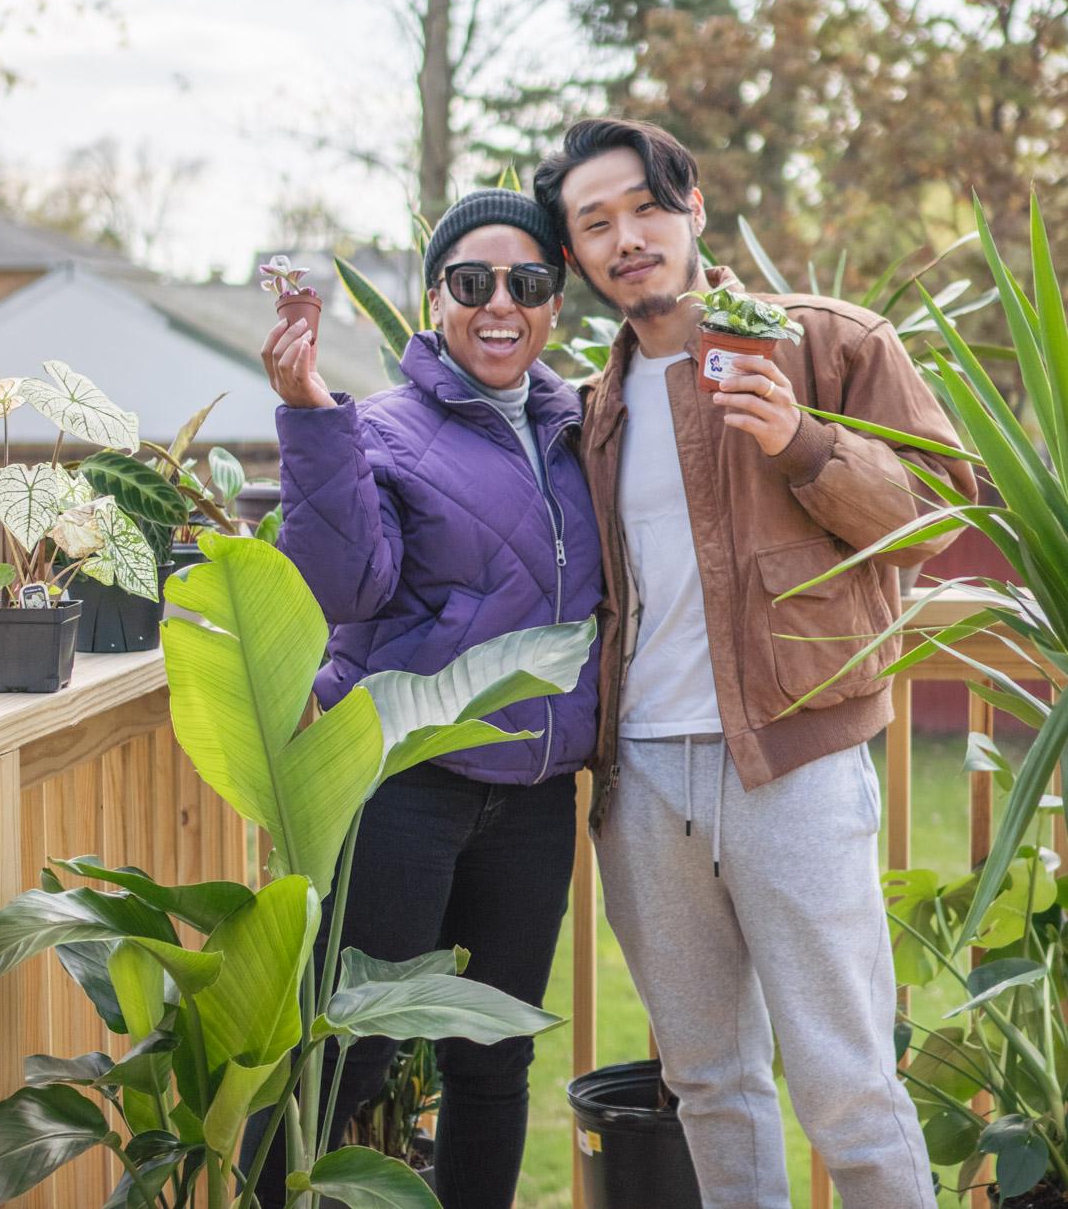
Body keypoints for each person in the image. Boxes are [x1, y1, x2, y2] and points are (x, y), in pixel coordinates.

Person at [533, 118, 978, 1209]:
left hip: (795, 768)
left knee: (849, 1090)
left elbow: (939, 510)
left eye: (644, 208)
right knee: (708, 1086)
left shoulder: (827, 341)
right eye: (596, 224)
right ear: (579, 257)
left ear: (693, 213)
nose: (625, 237)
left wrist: (804, 444)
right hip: (642, 784)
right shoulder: (595, 405)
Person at [246, 188, 602, 1208]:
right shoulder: (384, 431)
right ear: (434, 299)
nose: (501, 303)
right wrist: (312, 416)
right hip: (406, 786)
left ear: (553, 303)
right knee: (347, 1055)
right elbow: (346, 589)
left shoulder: (582, 425)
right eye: (472, 281)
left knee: (491, 1065)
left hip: (534, 796)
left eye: (527, 283)